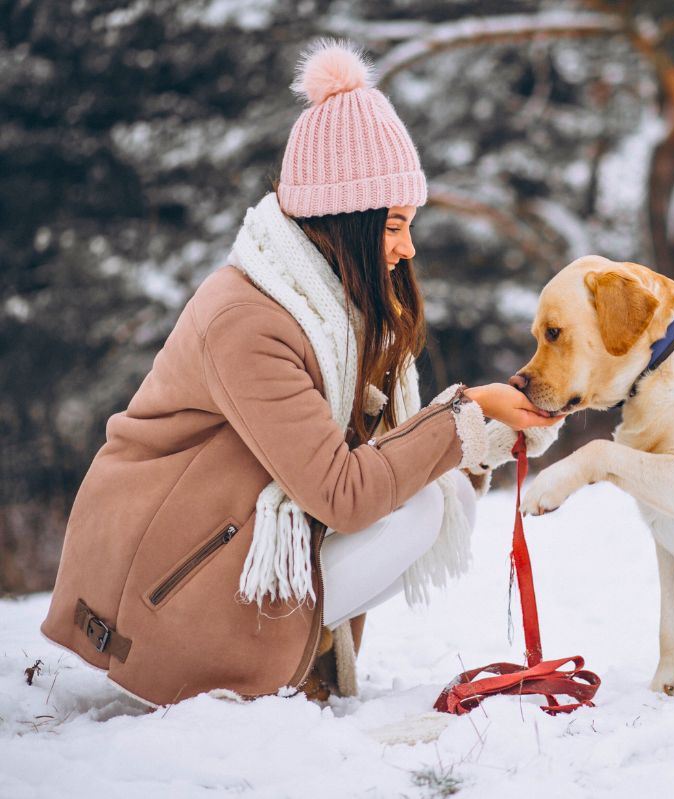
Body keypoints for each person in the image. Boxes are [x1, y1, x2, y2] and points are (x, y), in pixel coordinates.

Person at [40, 41, 562, 706]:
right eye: (395, 225)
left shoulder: (329, 311)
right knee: (422, 505)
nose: (407, 247)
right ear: (346, 221)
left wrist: (487, 425)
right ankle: (239, 664)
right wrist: (467, 411)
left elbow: (385, 459)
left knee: (442, 497)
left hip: (215, 549)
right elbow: (344, 492)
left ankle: (293, 654)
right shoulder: (250, 320)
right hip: (157, 593)